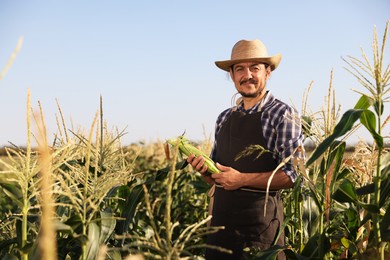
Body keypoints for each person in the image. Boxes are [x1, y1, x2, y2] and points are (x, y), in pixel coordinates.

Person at [187, 39, 304, 259]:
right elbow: (217, 179)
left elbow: (294, 175)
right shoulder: (224, 118)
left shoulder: (282, 114)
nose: (247, 74)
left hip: (260, 237)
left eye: (255, 68)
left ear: (267, 73)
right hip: (220, 236)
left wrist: (242, 179)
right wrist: (204, 170)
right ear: (231, 75)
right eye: (240, 68)